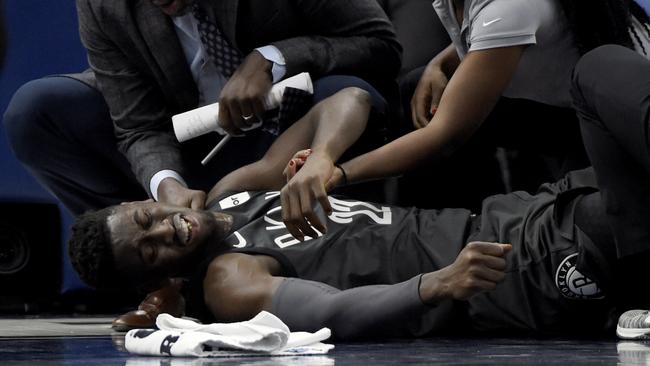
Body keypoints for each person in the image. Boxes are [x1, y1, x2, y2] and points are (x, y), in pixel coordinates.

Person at [68, 86, 646, 340]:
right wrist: (434, 284)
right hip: (502, 275)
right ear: (157, 279)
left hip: (511, 214)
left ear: (146, 200)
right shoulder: (227, 279)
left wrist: (321, 160)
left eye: (149, 220)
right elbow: (332, 311)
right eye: (153, 252)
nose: (168, 232)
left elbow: (350, 100)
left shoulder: (234, 193)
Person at [280, 0, 650, 238]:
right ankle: (437, 232)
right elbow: (489, 33)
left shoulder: (510, 6)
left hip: (615, 129)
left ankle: (467, 239)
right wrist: (444, 62)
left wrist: (338, 173)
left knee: (443, 123)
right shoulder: (458, 3)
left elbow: (445, 135)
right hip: (562, 110)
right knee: (417, 93)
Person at [3, 0, 401, 216]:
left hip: (289, 138)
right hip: (189, 148)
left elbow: (379, 46)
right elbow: (138, 127)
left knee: (346, 91)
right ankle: (166, 266)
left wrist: (274, 59)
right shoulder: (102, 5)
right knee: (39, 111)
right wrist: (166, 187)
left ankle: (326, 246)